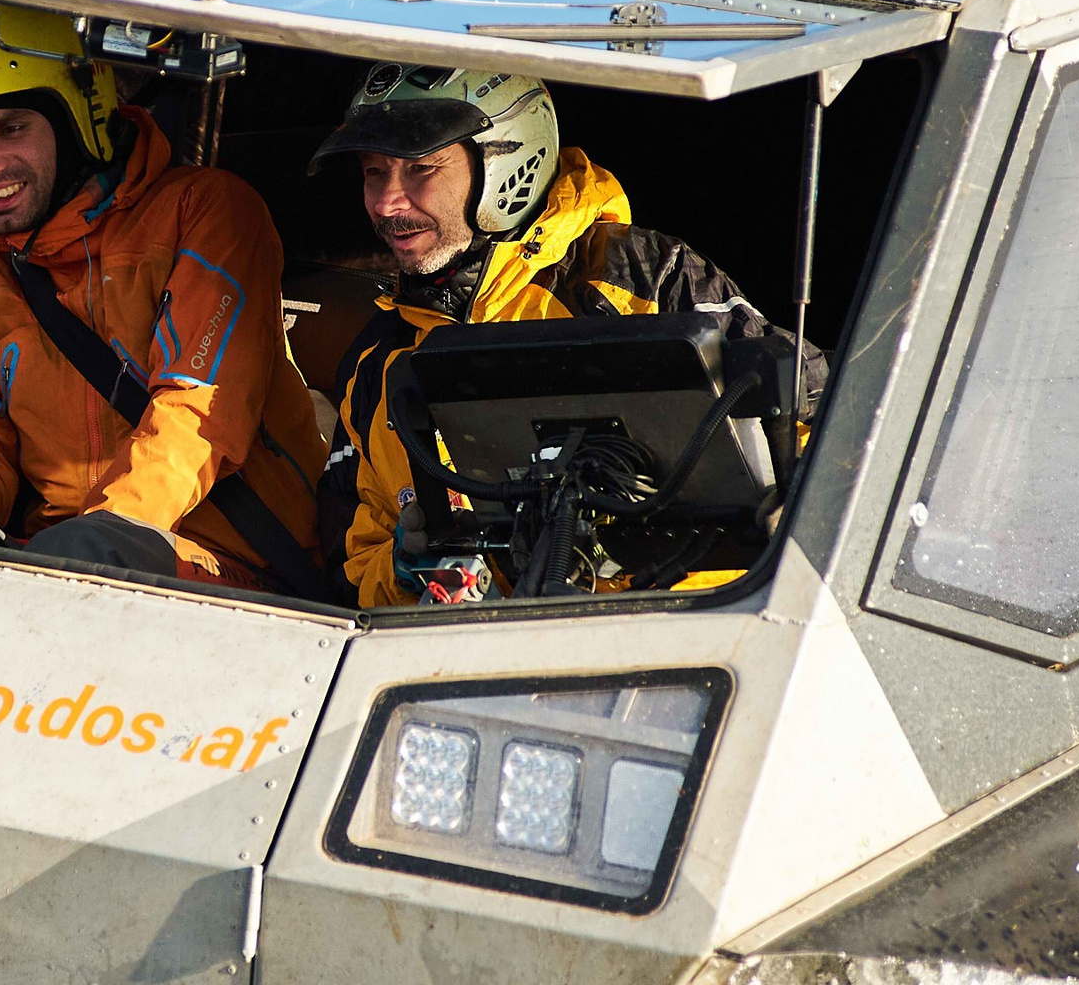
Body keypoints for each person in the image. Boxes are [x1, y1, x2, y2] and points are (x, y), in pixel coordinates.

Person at [311, 63, 825, 609]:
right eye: (374, 172)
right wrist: (401, 571)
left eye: (420, 169)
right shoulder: (379, 357)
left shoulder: (641, 278)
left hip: (685, 632)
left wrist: (788, 508)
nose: (387, 203)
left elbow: (831, 436)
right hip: (480, 651)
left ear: (507, 162)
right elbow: (351, 567)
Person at [0, 2, 326, 592]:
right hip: (57, 563)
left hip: (235, 568)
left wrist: (88, 544)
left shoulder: (204, 211)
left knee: (89, 547)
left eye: (11, 128)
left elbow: (196, 415)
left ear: (79, 120)